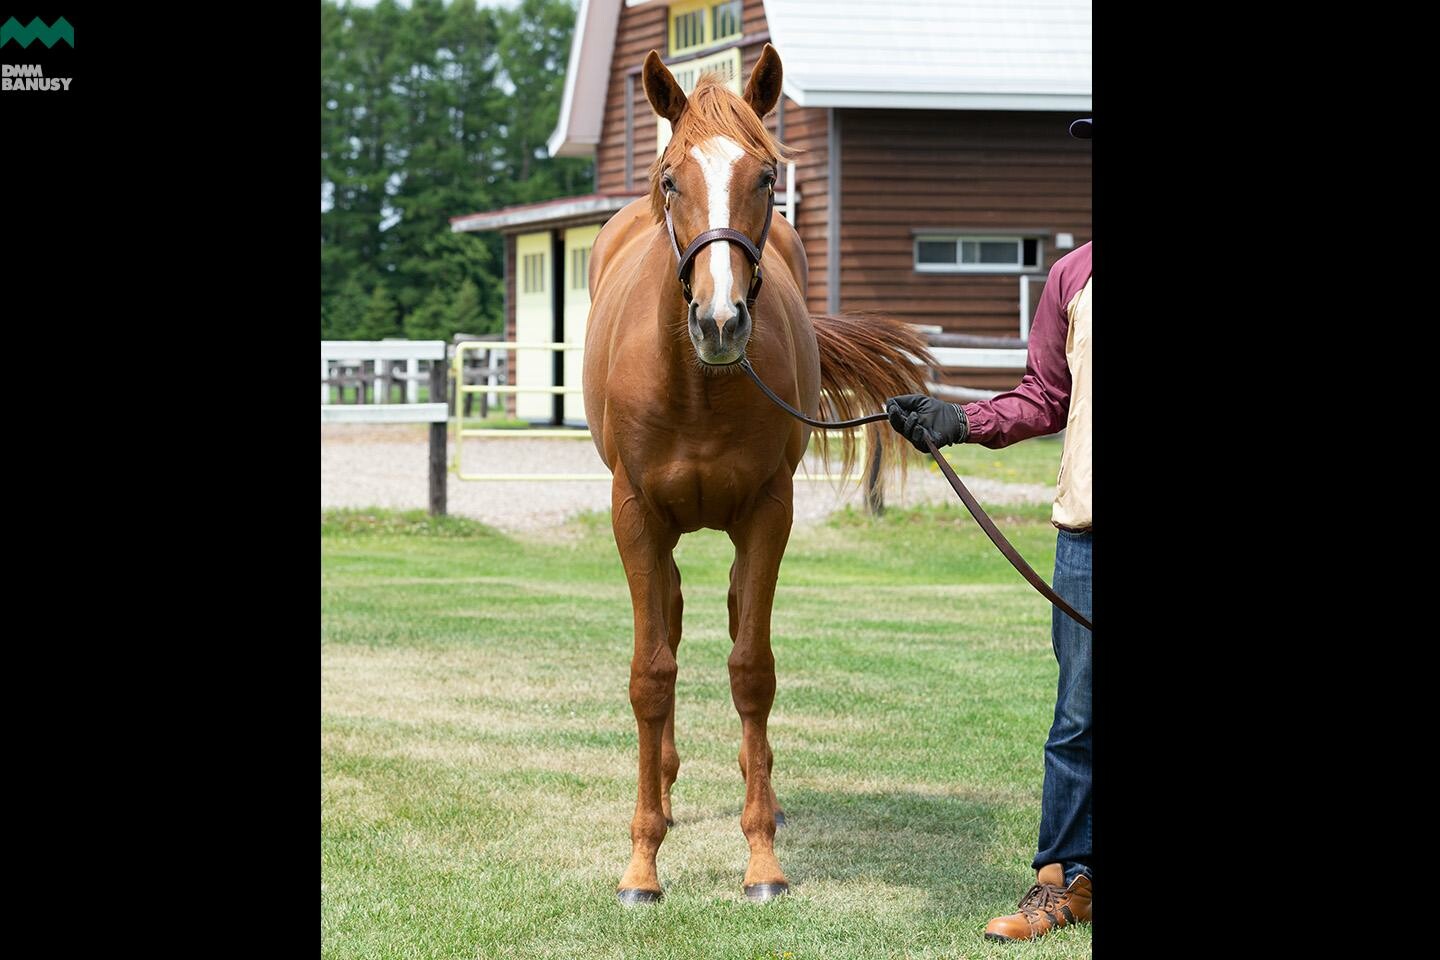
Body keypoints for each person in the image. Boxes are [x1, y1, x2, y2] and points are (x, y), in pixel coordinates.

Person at [884, 116, 1093, 944]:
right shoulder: (1074, 277)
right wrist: (956, 419)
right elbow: (1043, 398)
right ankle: (1065, 881)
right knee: (1078, 718)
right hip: (1086, 536)